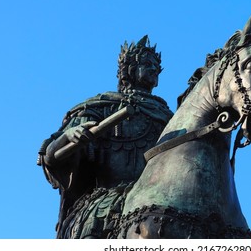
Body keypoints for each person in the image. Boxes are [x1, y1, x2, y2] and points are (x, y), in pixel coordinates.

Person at [37, 35, 173, 238]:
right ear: (128, 69)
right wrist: (68, 136)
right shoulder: (100, 107)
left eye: (156, 66)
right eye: (147, 63)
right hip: (107, 202)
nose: (154, 69)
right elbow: (51, 155)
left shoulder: (169, 117)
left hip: (159, 201)